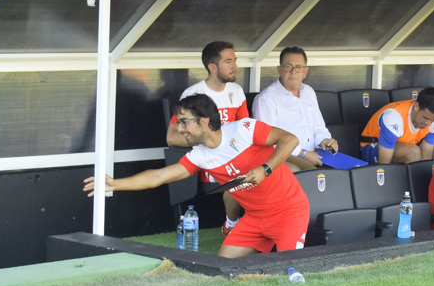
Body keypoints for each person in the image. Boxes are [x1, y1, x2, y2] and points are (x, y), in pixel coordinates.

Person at [85, 94, 310, 258]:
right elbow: (159, 176)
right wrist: (115, 184)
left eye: (184, 122)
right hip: (254, 218)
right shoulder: (199, 155)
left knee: (287, 271)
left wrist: (266, 168)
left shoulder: (243, 129)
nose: (179, 129)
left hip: (289, 211)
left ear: (203, 121)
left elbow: (290, 139)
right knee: (219, 271)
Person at [166, 41, 250, 235]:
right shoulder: (194, 95)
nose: (235, 66)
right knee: (239, 175)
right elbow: (172, 137)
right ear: (212, 67)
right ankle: (232, 226)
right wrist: (207, 141)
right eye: (229, 62)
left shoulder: (236, 91)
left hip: (235, 155)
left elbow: (244, 129)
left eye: (235, 61)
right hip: (209, 161)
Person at [252, 47, 339, 171]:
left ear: (305, 71)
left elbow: (318, 127)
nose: (294, 71)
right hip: (286, 154)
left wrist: (326, 141)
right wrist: (303, 154)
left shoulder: (309, 92)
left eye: (298, 67)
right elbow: (269, 140)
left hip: (313, 151)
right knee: (314, 174)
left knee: (348, 171)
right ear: (279, 70)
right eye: (288, 66)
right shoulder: (266, 98)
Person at [359, 86, 434, 164]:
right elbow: (384, 163)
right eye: (425, 117)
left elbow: (426, 156)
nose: (428, 123)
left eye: (433, 120)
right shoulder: (393, 117)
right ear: (416, 106)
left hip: (409, 144)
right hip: (375, 146)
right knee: (413, 152)